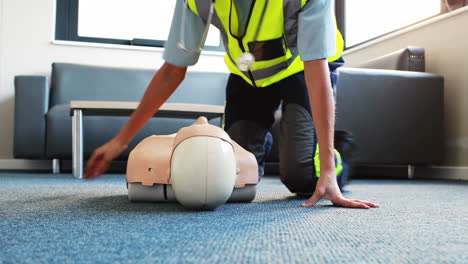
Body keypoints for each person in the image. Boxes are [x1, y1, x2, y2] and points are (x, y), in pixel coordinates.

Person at [84, 0, 379, 209]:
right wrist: (120, 140)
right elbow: (174, 69)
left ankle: (337, 151)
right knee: (231, 176)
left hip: (303, 69)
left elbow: (317, 71)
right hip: (248, 74)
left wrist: (327, 168)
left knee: (301, 176)